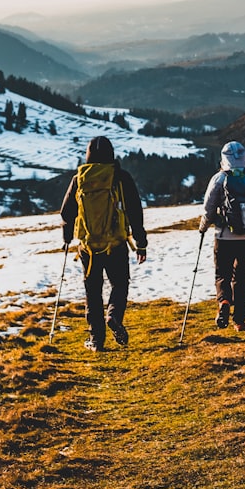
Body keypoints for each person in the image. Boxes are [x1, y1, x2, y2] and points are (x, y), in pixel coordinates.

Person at [61, 136, 147, 352]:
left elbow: (66, 212)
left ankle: (96, 339)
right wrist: (141, 242)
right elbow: (135, 211)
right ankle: (114, 315)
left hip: (88, 247)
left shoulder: (79, 179)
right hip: (115, 243)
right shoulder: (120, 177)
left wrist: (66, 238)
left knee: (93, 289)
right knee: (119, 283)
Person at [198, 141, 245, 331]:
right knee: (241, 275)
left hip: (224, 237)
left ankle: (223, 302)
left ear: (224, 159)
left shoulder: (219, 179)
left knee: (222, 272)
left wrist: (203, 227)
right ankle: (239, 321)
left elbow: (208, 209)